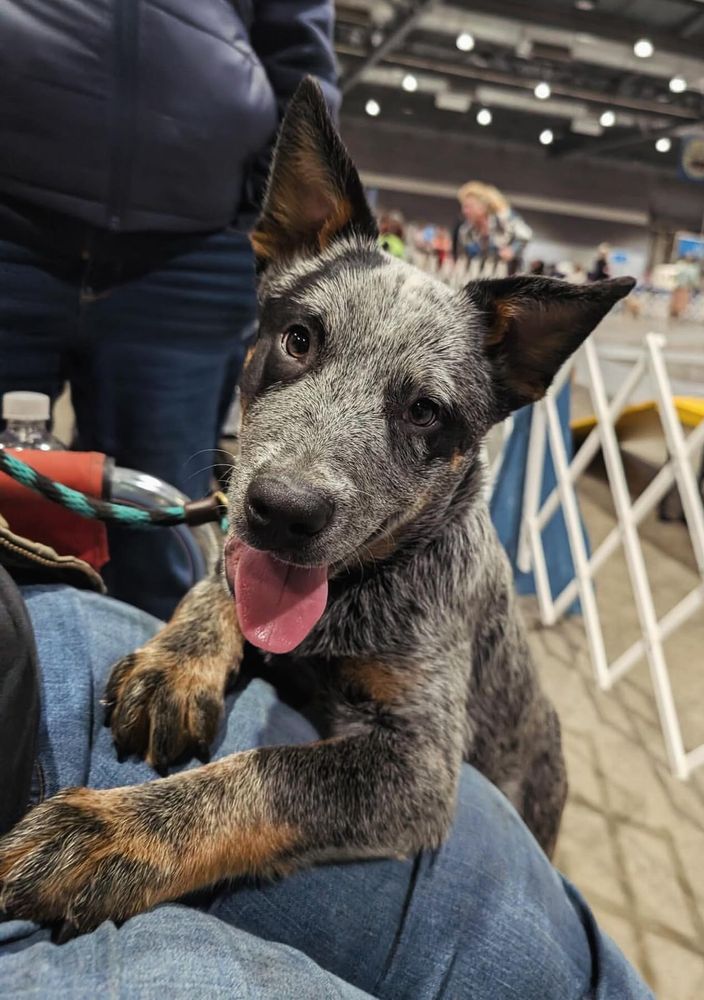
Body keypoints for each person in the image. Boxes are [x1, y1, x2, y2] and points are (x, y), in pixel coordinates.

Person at [0, 576, 654, 999]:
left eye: (424, 412)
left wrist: (177, 826)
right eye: (299, 347)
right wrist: (214, 611)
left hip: (30, 659)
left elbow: (415, 787)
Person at [0, 1, 338, 620]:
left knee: (163, 544)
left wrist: (254, 227)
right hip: (12, 225)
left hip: (189, 256)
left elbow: (302, 63)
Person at [454, 182, 532, 274]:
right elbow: (462, 258)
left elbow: (526, 234)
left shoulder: (504, 219)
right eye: (463, 207)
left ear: (482, 207)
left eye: (469, 207)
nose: (464, 211)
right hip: (481, 277)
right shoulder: (465, 231)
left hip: (508, 276)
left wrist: (512, 250)